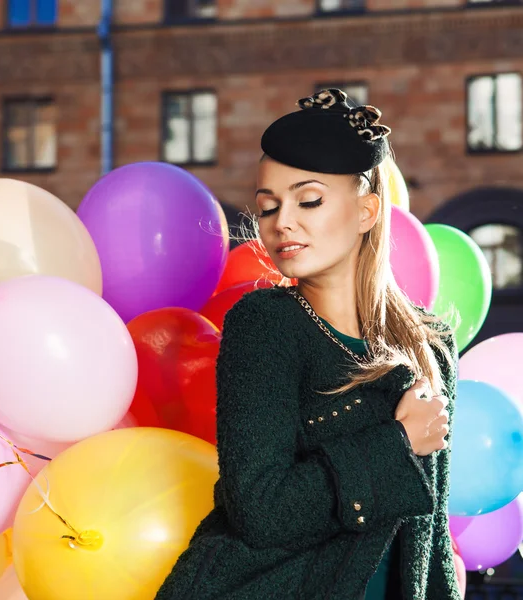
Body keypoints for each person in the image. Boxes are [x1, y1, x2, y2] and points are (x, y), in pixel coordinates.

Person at [155, 88, 461, 599]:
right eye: (268, 206)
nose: (282, 223)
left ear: (367, 211)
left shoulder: (431, 345)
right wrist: (399, 445)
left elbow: (429, 536)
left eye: (309, 199)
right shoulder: (265, 324)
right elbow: (261, 510)